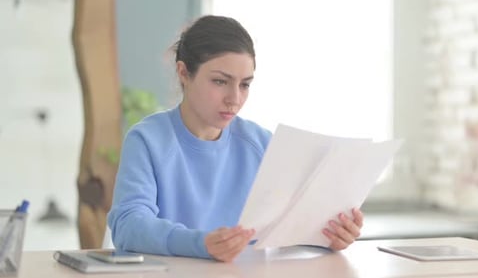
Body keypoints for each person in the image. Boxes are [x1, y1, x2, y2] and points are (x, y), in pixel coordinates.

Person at [107, 15, 364, 263]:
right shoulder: (147, 141)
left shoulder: (261, 144)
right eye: (220, 81)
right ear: (184, 73)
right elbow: (128, 226)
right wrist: (200, 243)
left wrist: (329, 236)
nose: (235, 99)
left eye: (245, 85)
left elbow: (291, 227)